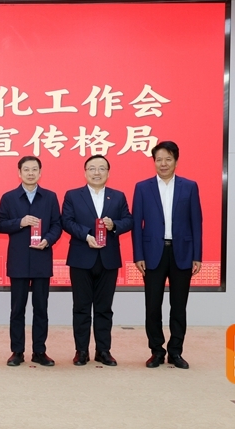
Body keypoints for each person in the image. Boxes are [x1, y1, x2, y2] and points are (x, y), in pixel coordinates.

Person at [132, 141, 203, 369]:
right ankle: (156, 351)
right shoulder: (142, 187)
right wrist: (138, 255)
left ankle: (175, 352)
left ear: (176, 161)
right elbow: (136, 224)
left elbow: (196, 222)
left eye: (168, 159)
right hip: (153, 253)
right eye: (159, 159)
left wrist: (197, 255)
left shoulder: (189, 186)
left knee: (179, 306)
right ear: (154, 162)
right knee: (153, 306)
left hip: (182, 252)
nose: (163, 163)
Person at [61, 155, 133, 367]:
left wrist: (114, 225)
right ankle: (81, 351)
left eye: (101, 168)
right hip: (81, 257)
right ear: (85, 172)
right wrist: (86, 235)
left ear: (108, 173)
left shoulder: (117, 196)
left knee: (104, 308)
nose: (97, 172)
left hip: (108, 259)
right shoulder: (73, 195)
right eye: (92, 168)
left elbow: (129, 220)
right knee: (81, 307)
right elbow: (67, 221)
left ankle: (103, 350)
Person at [0, 155, 62, 367]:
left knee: (41, 308)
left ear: (40, 173)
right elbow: (0, 224)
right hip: (18, 260)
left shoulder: (50, 197)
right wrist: (20, 222)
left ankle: (39, 351)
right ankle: (17, 351)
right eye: (26, 169)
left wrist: (48, 240)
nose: (30, 173)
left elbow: (57, 224)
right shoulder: (9, 198)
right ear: (19, 173)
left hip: (42, 258)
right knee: (17, 309)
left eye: (34, 169)